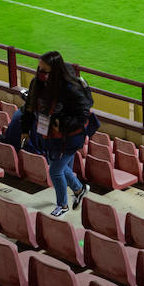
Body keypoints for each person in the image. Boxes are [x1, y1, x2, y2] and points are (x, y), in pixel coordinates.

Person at [32, 51, 95, 218]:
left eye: (44, 71)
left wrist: (65, 125)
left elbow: (83, 113)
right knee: (58, 165)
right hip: (51, 134)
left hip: (70, 136)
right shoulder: (43, 84)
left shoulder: (70, 88)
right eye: (39, 69)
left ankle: (63, 205)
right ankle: (79, 189)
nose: (40, 73)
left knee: (55, 170)